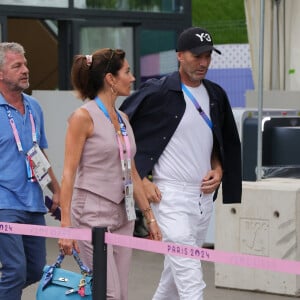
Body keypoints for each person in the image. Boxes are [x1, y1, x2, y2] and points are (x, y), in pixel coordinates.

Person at [120, 27, 242, 300]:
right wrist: (141, 181)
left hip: (203, 198)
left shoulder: (216, 94)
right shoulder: (158, 92)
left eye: (208, 56)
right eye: (197, 56)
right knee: (190, 277)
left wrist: (219, 169)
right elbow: (119, 133)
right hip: (169, 196)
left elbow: (219, 141)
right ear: (179, 56)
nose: (204, 63)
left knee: (174, 277)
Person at [58, 48, 162, 300]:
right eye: (127, 71)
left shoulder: (124, 118)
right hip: (92, 214)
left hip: (123, 215)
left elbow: (133, 172)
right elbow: (68, 174)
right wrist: (65, 227)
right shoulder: (83, 117)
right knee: (109, 294)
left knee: (122, 294)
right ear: (110, 79)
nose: (133, 77)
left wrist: (149, 218)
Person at [0, 42, 60, 300]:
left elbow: (40, 154)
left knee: (35, 270)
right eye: (17, 66)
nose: (25, 70)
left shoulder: (34, 106)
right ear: (1, 73)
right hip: (4, 203)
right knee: (15, 269)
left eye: (25, 64)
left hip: (33, 202)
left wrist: (56, 190)